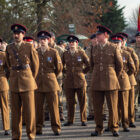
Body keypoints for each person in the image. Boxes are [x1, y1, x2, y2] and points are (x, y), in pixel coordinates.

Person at [6, 23, 39, 140]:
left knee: (29, 112)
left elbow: (35, 65)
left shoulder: (29, 47)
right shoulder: (9, 48)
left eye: (18, 34)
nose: (16, 36)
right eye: (15, 34)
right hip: (14, 82)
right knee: (15, 113)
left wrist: (30, 78)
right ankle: (16, 136)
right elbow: (8, 65)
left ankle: (31, 135)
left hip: (27, 83)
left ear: (23, 34)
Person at [90, 25, 123, 137]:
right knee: (97, 108)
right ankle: (98, 128)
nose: (97, 36)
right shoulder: (94, 48)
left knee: (112, 107)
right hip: (97, 81)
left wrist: (113, 76)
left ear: (105, 35)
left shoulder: (113, 47)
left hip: (110, 81)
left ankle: (114, 128)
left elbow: (119, 66)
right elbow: (91, 64)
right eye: (97, 35)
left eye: (99, 34)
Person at [35, 31, 62, 135]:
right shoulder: (35, 51)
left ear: (48, 40)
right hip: (38, 83)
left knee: (53, 107)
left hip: (51, 82)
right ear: (39, 40)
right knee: (38, 108)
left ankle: (56, 128)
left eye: (45, 39)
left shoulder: (53, 52)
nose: (43, 41)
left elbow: (59, 68)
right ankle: (38, 128)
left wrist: (52, 76)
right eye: (41, 39)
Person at [63, 35, 90, 126]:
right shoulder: (65, 54)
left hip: (80, 80)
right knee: (70, 102)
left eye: (73, 42)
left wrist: (82, 72)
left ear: (76, 43)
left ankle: (83, 119)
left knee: (82, 101)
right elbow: (60, 66)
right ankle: (70, 120)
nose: (71, 44)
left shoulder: (81, 53)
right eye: (70, 42)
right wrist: (65, 72)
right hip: (69, 80)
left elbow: (89, 65)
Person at [111, 34, 135, 132]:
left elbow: (133, 69)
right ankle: (113, 124)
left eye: (118, 43)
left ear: (122, 43)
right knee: (113, 105)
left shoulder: (126, 54)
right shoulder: (109, 54)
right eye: (114, 43)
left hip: (124, 81)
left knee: (125, 105)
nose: (116, 44)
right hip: (112, 81)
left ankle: (125, 124)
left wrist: (125, 75)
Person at [117, 32, 139, 127]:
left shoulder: (130, 50)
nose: (121, 42)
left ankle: (130, 120)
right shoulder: (115, 50)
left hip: (129, 79)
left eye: (123, 40)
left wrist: (131, 74)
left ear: (125, 41)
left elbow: (135, 64)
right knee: (118, 102)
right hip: (119, 80)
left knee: (130, 101)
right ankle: (118, 120)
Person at [85, 34, 97, 120]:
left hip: (99, 74)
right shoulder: (88, 50)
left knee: (101, 94)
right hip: (90, 75)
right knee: (90, 94)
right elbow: (85, 62)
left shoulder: (101, 48)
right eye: (93, 39)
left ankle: (102, 113)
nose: (95, 40)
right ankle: (91, 112)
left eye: (96, 39)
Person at [0, 38, 10, 135]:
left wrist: (4, 79)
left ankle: (6, 128)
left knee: (4, 106)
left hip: (2, 83)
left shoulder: (3, 55)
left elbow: (9, 69)